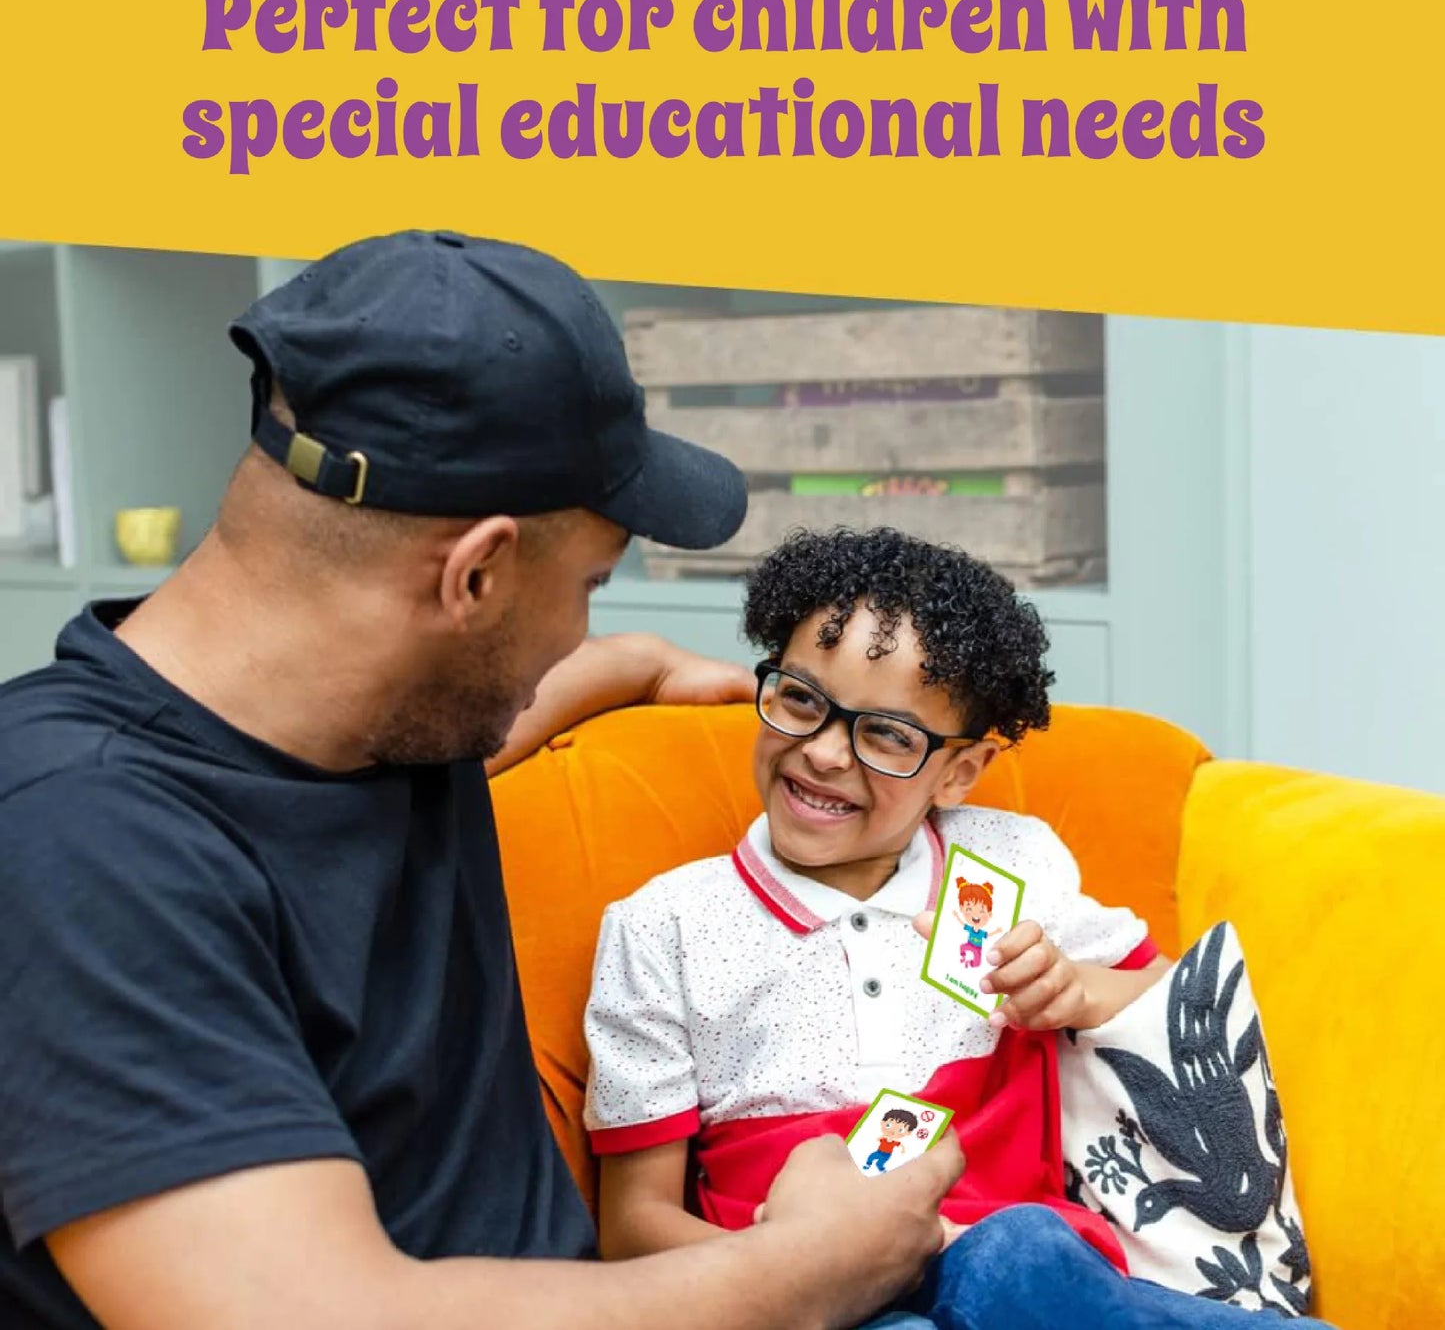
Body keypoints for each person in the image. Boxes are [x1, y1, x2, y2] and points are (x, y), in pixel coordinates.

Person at [0, 232, 964, 1330]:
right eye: (589, 586)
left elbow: (496, 715)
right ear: (475, 574)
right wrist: (814, 1264)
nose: (579, 630)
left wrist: (638, 664)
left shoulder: (374, 719)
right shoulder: (73, 842)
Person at [583, 526, 1335, 1328]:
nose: (826, 753)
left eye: (886, 735)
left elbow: (1168, 1001)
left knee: (1022, 1255)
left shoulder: (1007, 862)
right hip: (820, 1299)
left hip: (1035, 1276)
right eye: (800, 698)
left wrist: (1075, 989)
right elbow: (631, 1230)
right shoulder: (661, 927)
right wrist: (792, 1266)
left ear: (960, 771)